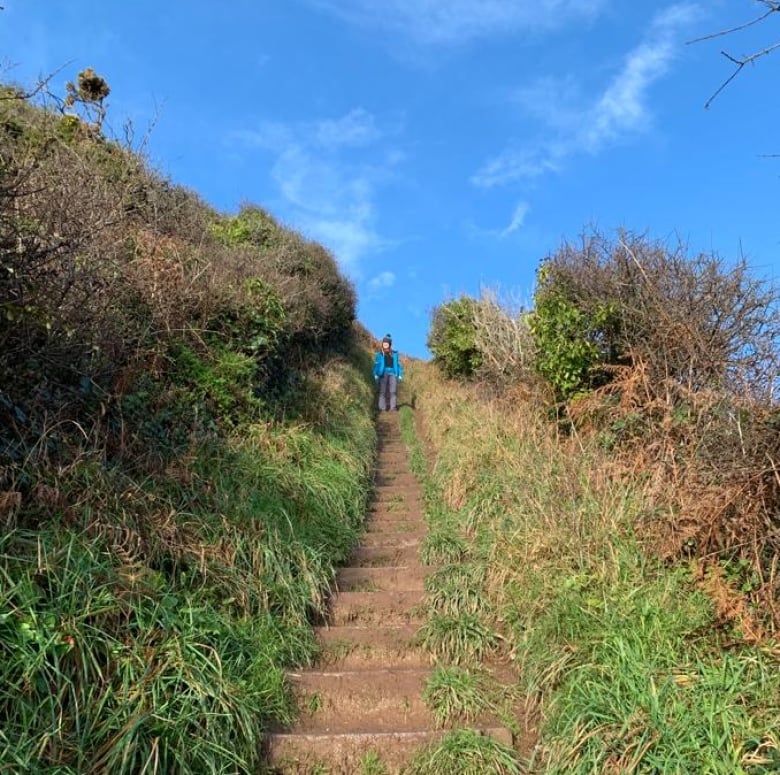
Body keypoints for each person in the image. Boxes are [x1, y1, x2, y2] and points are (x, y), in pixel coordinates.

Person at [372, 334, 403, 411]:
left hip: (393, 373)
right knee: (382, 391)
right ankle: (382, 407)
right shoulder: (379, 354)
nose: (385, 344)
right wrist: (375, 373)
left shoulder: (394, 354)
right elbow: (376, 364)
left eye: (387, 343)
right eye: (384, 343)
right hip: (383, 373)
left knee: (393, 391)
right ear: (382, 344)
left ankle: (393, 407)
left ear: (389, 344)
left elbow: (398, 365)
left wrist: (400, 374)